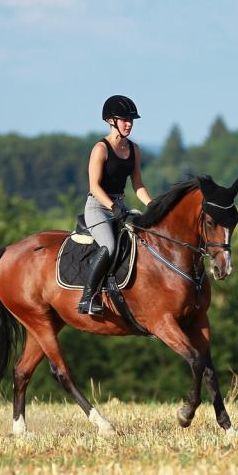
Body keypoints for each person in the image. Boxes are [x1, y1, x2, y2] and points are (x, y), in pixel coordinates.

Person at [78, 95, 152, 315]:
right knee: (109, 247)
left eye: (131, 120)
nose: (129, 124)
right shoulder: (100, 149)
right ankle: (87, 298)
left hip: (119, 206)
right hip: (98, 206)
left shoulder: (134, 149)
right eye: (124, 119)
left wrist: (155, 205)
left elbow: (138, 185)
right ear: (111, 121)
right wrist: (113, 207)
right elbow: (94, 186)